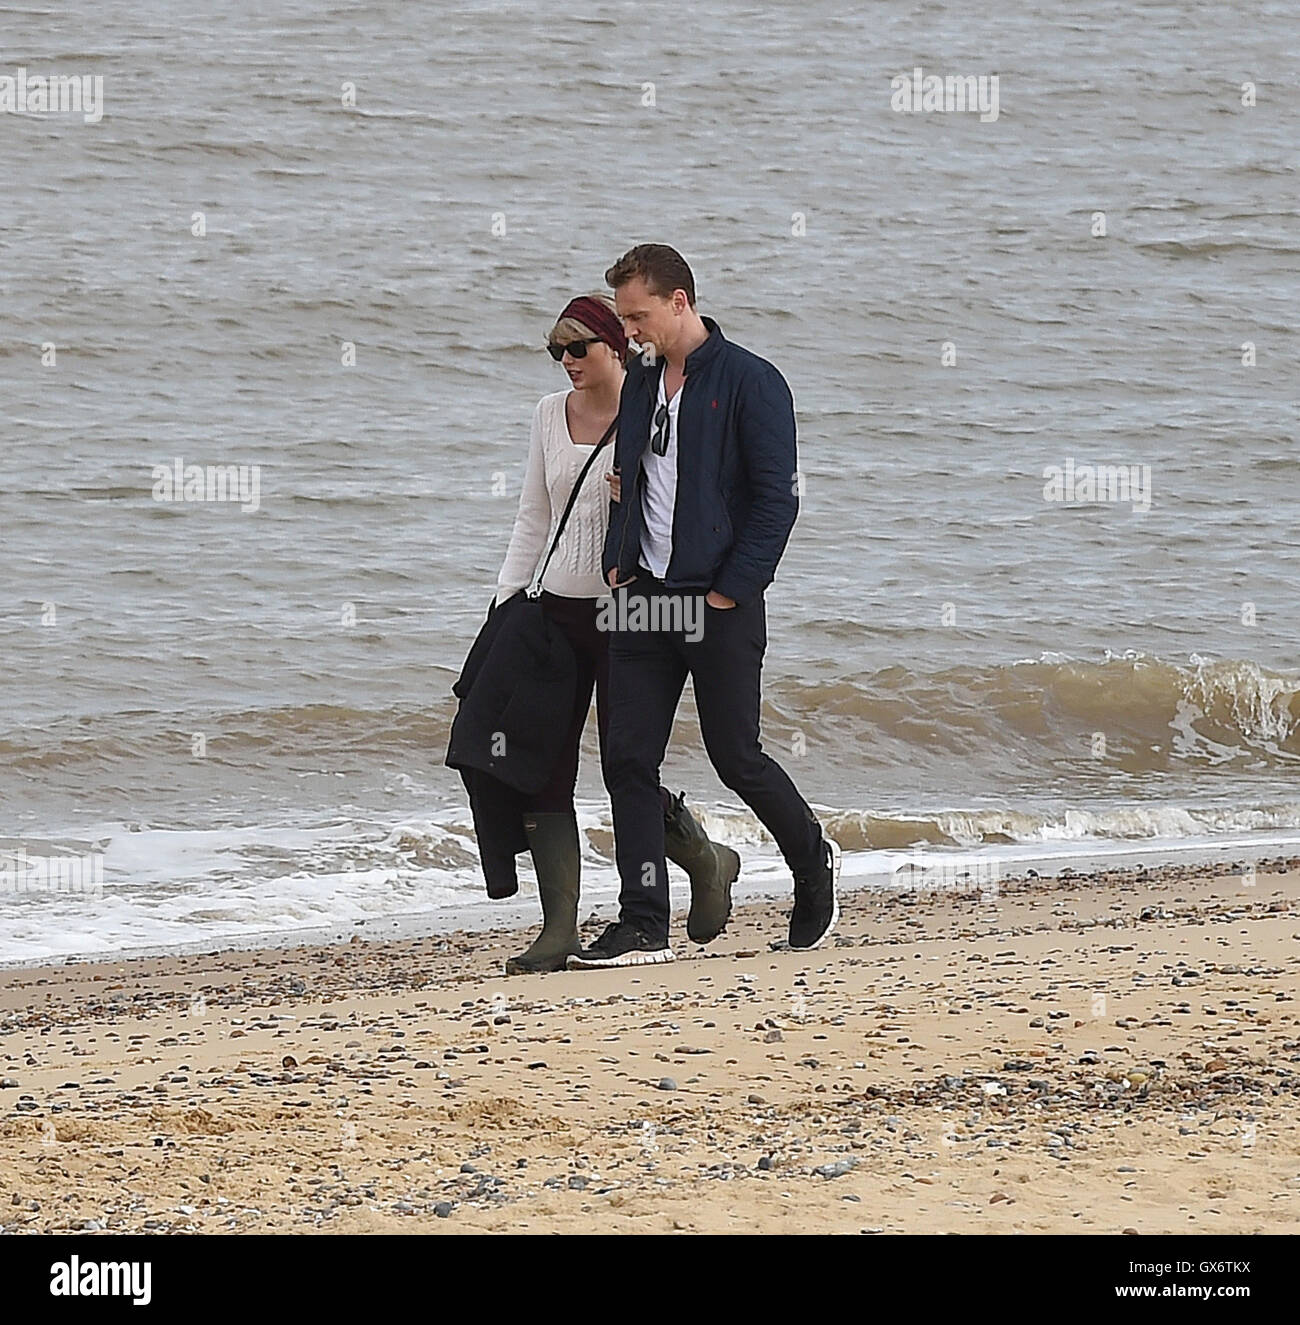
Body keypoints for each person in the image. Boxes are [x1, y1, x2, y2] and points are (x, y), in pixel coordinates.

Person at [568, 245, 841, 970]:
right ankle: (643, 920)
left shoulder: (753, 381)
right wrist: (618, 563)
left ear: (680, 302)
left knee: (735, 756)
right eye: (622, 318)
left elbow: (776, 498)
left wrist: (730, 588)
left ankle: (814, 866)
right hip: (642, 596)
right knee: (626, 761)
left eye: (638, 315)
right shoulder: (642, 381)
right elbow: (634, 475)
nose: (627, 331)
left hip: (716, 600)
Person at [494, 291, 739, 974]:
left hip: (630, 610)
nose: (567, 361)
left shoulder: (650, 405)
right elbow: (531, 517)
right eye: (557, 351)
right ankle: (558, 927)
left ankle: (704, 857)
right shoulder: (548, 414)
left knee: (624, 766)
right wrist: (505, 602)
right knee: (543, 764)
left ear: (616, 345)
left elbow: (690, 498)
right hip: (554, 614)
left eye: (579, 348)